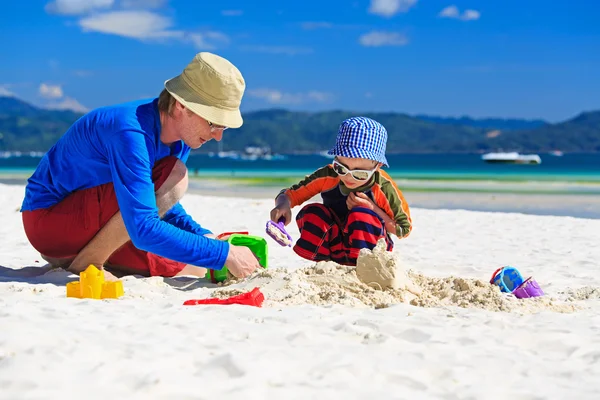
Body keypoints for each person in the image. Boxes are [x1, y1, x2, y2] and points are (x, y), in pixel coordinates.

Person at [20, 52, 261, 280]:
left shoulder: (181, 137)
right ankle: (87, 263)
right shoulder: (130, 130)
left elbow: (155, 200)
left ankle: (76, 257)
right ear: (182, 106)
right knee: (178, 177)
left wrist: (204, 235)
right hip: (50, 220)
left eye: (223, 126)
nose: (217, 136)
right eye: (213, 122)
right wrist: (224, 253)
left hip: (94, 222)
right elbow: (144, 225)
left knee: (193, 269)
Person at [269, 116, 412, 266]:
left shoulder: (383, 188)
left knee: (361, 214)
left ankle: (362, 266)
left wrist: (373, 208)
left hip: (372, 249)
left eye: (360, 173)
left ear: (378, 166)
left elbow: (403, 229)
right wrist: (282, 205)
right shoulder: (328, 175)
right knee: (313, 212)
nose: (349, 177)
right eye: (341, 168)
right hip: (336, 246)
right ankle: (325, 265)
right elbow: (290, 194)